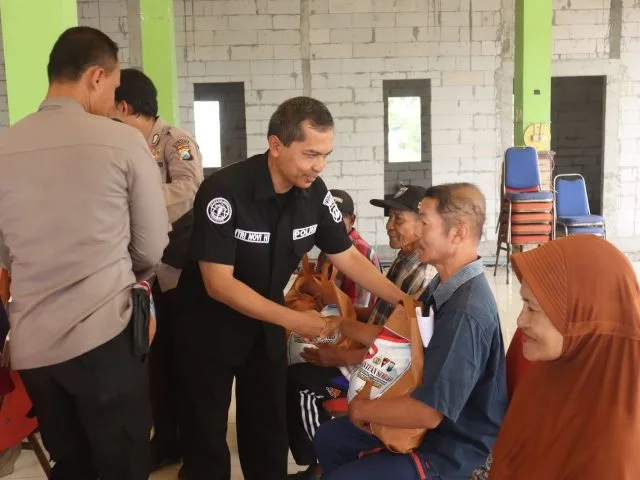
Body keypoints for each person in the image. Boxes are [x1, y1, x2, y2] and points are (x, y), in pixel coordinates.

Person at [175, 96, 405, 480]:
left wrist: (404, 300)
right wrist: (296, 321)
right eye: (310, 154)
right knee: (205, 431)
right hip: (208, 325)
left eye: (325, 155)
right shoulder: (224, 191)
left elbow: (347, 256)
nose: (319, 166)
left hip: (265, 319)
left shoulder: (314, 193)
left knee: (267, 427)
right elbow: (219, 284)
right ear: (276, 145)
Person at [0, 27, 168, 479]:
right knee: (122, 464)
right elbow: (152, 246)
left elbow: (7, 253)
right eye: (114, 88)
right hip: (105, 338)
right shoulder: (122, 141)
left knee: (71, 464)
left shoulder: (4, 147)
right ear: (96, 76)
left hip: (34, 348)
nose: (114, 102)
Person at [315, 183, 508, 480]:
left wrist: (362, 409)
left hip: (450, 450)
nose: (417, 232)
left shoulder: (466, 312)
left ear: (457, 232)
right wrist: (341, 325)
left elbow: (428, 413)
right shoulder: (442, 286)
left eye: (425, 223)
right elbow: (402, 338)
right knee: (329, 438)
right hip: (429, 429)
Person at [287, 184, 437, 480]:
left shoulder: (424, 273)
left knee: (300, 382)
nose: (389, 225)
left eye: (398, 219)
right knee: (297, 358)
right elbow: (383, 316)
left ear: (423, 224)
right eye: (389, 217)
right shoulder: (404, 260)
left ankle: (317, 465)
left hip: (383, 370)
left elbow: (404, 346)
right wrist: (335, 319)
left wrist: (339, 356)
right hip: (368, 350)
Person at [486, 235, 640, 479]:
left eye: (532, 308)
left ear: (584, 318)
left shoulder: (613, 450)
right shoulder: (552, 370)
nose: (520, 321)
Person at [114, 67, 203, 470]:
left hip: (179, 270)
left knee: (187, 362)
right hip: (143, 272)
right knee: (156, 363)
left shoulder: (174, 141)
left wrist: (140, 200)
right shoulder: (122, 145)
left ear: (124, 106)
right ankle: (166, 438)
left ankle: (194, 444)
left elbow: (189, 188)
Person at [316, 189, 381, 309]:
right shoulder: (328, 246)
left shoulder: (361, 251)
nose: (330, 224)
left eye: (337, 217)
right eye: (324, 218)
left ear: (351, 220)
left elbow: (361, 310)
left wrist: (322, 297)